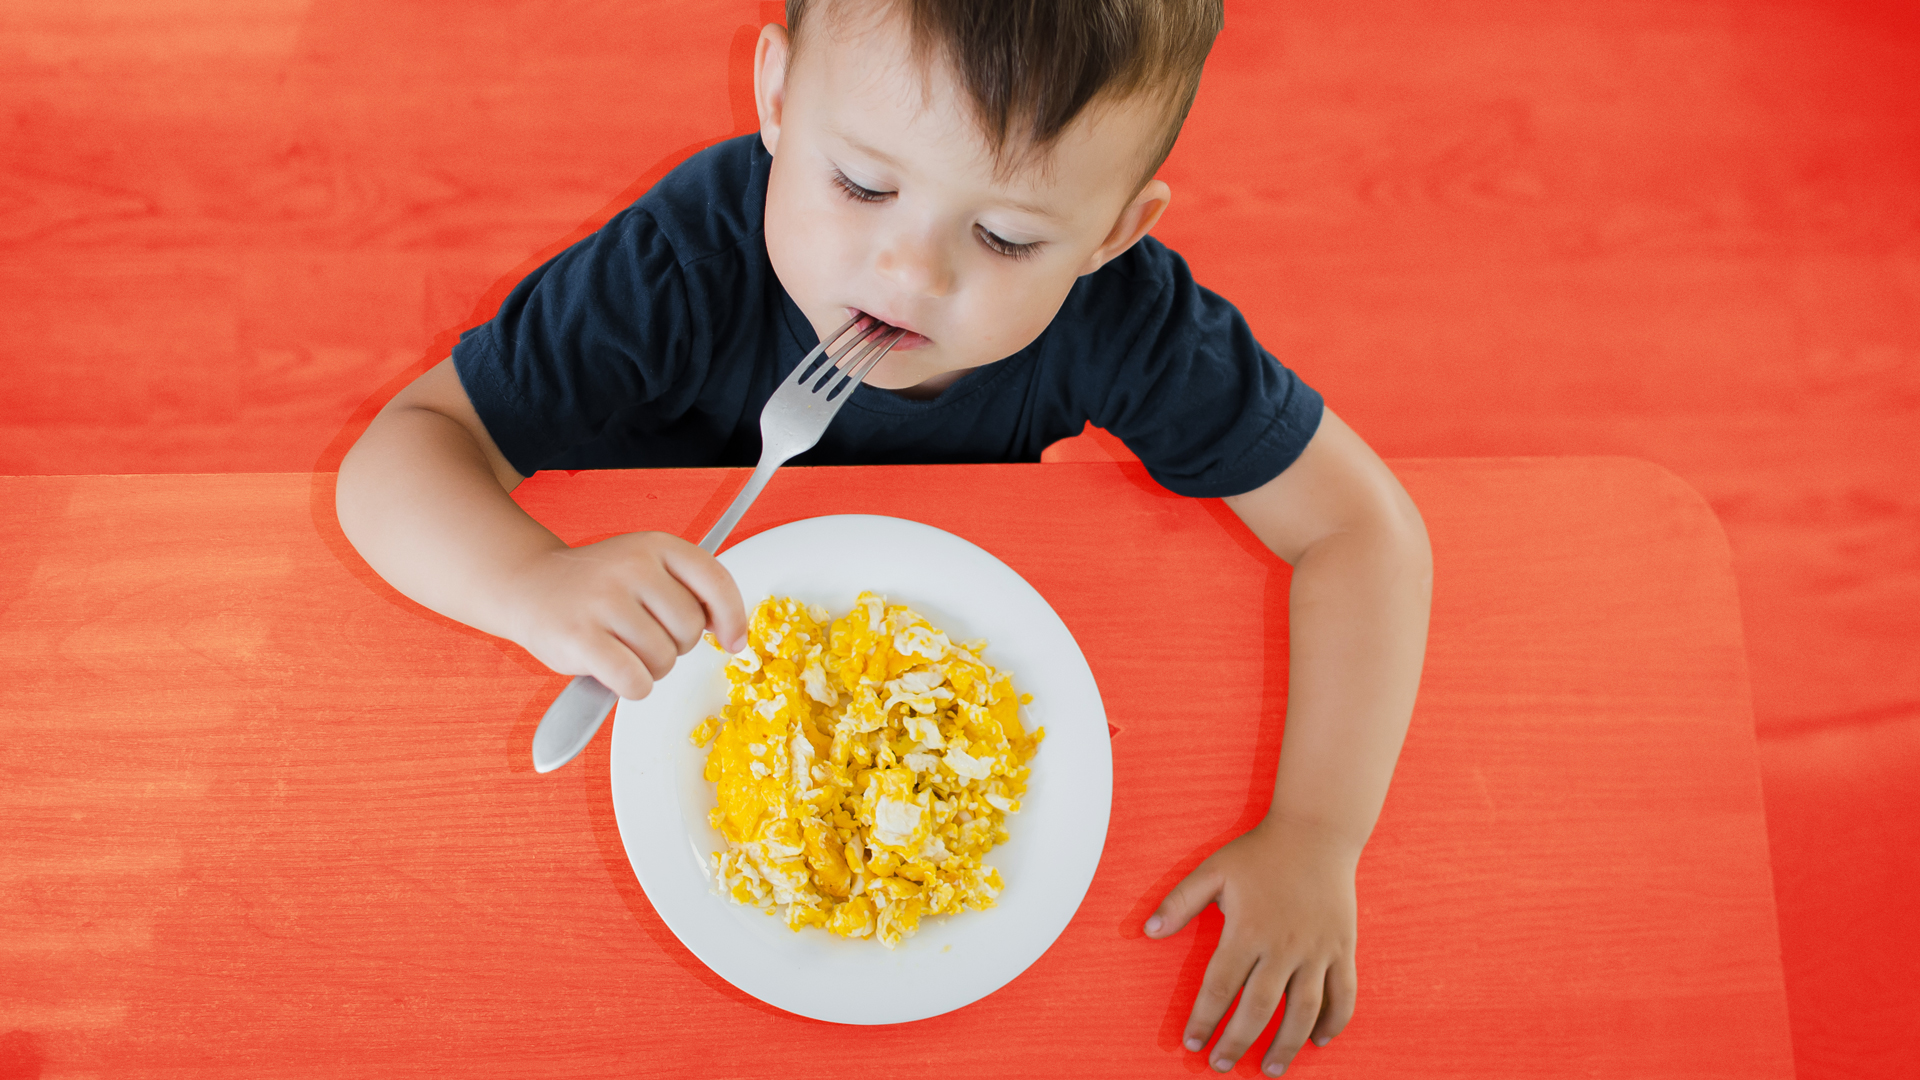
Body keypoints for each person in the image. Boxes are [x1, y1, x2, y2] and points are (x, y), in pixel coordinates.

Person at [335, 0, 1431, 1073]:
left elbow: (1362, 528)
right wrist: (532, 583)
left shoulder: (1123, 318)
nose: (911, 273)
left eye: (1005, 236)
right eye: (860, 183)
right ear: (775, 95)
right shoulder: (682, 266)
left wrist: (1316, 835)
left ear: (1112, 234)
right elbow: (406, 452)